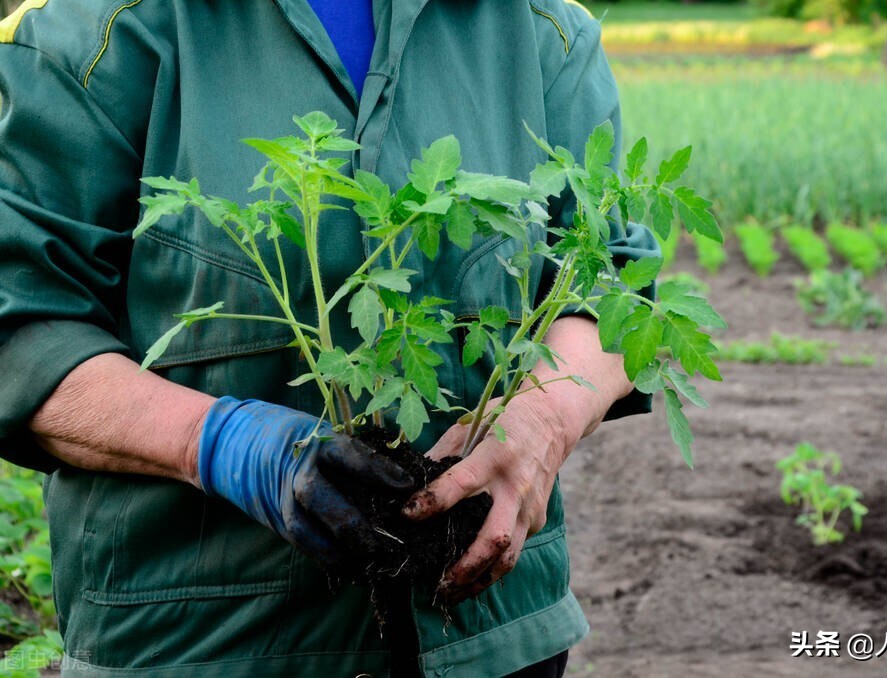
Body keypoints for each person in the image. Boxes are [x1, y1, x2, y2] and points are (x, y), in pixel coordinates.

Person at [0, 1, 656, 675]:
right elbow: (20, 328)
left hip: (487, 634)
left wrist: (545, 418)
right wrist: (220, 445)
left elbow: (618, 289)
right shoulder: (96, 31)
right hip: (206, 644)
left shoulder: (538, 25)